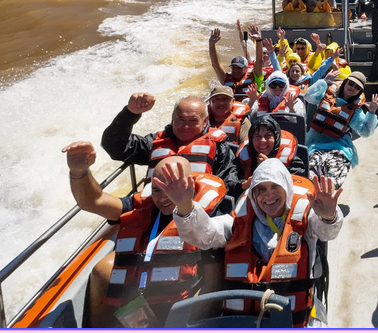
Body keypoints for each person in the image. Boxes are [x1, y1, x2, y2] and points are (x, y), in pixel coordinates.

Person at [155, 158, 344, 328]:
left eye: (275, 187)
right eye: (261, 189)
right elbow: (205, 235)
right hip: (241, 320)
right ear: (253, 194)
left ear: (286, 187)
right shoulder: (237, 222)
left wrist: (328, 215)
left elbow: (327, 231)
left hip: (292, 321)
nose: (268, 195)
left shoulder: (307, 218)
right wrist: (185, 206)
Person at [62, 147, 226, 327]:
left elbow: (212, 284)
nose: (163, 197)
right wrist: (79, 172)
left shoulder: (211, 216)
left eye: (172, 188)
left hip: (180, 312)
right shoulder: (143, 206)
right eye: (157, 190)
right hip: (135, 307)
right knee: (103, 270)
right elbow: (94, 201)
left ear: (189, 185)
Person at [101, 92, 244, 199]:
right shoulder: (155, 142)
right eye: (180, 120)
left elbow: (228, 185)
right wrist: (130, 113)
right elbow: (115, 147)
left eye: (193, 121)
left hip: (195, 214)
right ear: (172, 119)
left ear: (205, 121)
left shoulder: (220, 148)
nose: (186, 126)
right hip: (153, 211)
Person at [302, 70, 378, 188]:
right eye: (350, 83)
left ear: (359, 91)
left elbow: (365, 132)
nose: (352, 88)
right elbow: (308, 96)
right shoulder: (324, 95)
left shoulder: (355, 111)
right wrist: (324, 82)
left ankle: (328, 197)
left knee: (333, 174)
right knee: (312, 172)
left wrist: (372, 113)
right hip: (314, 143)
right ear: (345, 83)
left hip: (338, 146)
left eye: (357, 87)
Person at [236, 114, 307, 191]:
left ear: (276, 138)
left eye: (268, 136)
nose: (262, 141)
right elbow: (230, 183)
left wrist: (270, 167)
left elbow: (298, 183)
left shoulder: (293, 161)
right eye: (257, 136)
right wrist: (243, 185)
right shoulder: (241, 158)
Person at [209, 26, 263, 96]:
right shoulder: (225, 78)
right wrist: (211, 44)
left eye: (239, 68)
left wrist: (258, 40)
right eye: (234, 67)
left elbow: (259, 61)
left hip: (250, 105)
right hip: (231, 105)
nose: (236, 70)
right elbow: (215, 65)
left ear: (246, 68)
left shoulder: (255, 76)